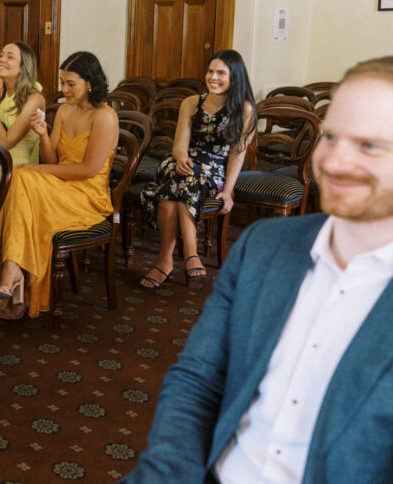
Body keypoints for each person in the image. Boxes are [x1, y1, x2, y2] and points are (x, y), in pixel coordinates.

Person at [124, 56, 393, 483]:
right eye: (331, 136)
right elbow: (197, 381)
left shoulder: (242, 110)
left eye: (369, 145)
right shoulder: (263, 246)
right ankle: (176, 254)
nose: (336, 161)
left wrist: (228, 189)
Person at [0, 51, 118, 319]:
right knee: (23, 186)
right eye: (62, 82)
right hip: (60, 186)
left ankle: (13, 276)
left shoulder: (105, 116)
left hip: (88, 195)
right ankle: (14, 274)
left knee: (23, 177)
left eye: (71, 84)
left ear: (90, 83)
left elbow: (87, 170)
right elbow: (54, 159)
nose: (64, 89)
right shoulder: (63, 110)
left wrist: (35, 168)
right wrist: (43, 136)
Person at [138, 50, 256, 288]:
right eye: (210, 71)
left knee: (183, 181)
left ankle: (165, 260)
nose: (213, 77)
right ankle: (191, 255)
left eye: (221, 73)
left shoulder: (244, 109)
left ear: (235, 77)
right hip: (185, 163)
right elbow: (179, 145)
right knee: (176, 170)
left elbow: (237, 153)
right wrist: (181, 157)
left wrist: (228, 191)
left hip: (216, 167)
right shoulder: (191, 103)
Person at [0, 41, 45, 195]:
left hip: (15, 171)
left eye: (9, 57)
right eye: (1, 55)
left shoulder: (35, 99)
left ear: (23, 68)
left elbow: (4, 142)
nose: (1, 60)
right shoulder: (2, 95)